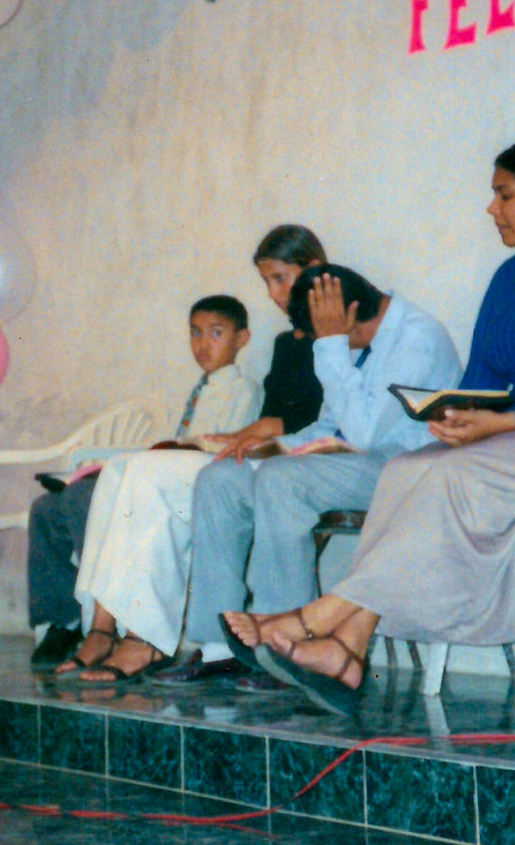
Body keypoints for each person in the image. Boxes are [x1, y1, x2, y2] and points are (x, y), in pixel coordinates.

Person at [226, 132, 515, 715]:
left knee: (457, 476)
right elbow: (484, 378)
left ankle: (314, 619)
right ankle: (346, 646)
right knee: (409, 469)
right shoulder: (507, 278)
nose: (491, 209)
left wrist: (506, 422)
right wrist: (459, 415)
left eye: (505, 194)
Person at [46, 225, 330, 684]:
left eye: (281, 278)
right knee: (121, 470)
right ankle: (101, 626)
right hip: (261, 453)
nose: (275, 293)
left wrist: (240, 439)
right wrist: (224, 439)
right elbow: (275, 418)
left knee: (147, 473)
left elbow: (308, 423)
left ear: (315, 270)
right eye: (267, 282)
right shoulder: (286, 343)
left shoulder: (335, 339)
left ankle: (145, 640)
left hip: (291, 463)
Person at [168, 264, 463, 686]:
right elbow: (329, 426)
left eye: (344, 337)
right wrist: (273, 447)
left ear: (354, 311)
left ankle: (283, 644)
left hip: (402, 467)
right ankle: (219, 646)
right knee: (222, 477)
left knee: (282, 479)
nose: (342, 347)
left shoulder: (416, 337)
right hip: (347, 463)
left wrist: (330, 345)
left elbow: (364, 432)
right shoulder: (358, 336)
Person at [26, 294, 262, 669]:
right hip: (172, 472)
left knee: (109, 489)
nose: (203, 344)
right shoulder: (200, 390)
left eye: (216, 333)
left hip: (203, 479)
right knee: (82, 491)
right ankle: (86, 625)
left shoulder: (243, 390)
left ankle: (127, 629)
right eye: (196, 333)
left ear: (242, 338)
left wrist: (180, 447)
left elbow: (224, 443)